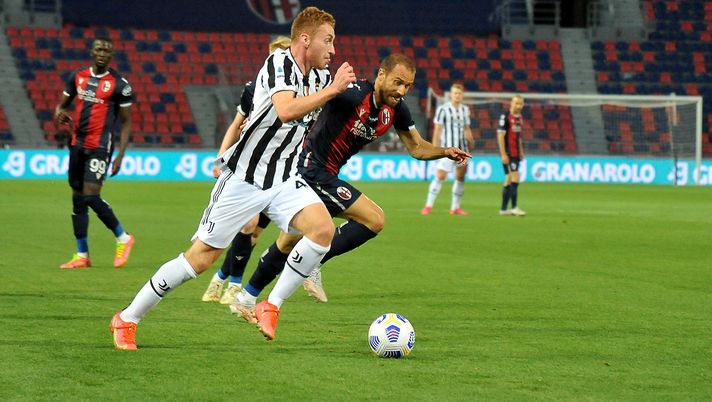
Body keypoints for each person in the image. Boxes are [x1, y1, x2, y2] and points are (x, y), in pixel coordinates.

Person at [109, 6, 357, 350]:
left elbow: (337, 101)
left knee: (322, 230)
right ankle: (128, 318)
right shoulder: (279, 63)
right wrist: (334, 90)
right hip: (244, 178)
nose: (332, 50)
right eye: (327, 41)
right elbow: (285, 110)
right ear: (304, 39)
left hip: (284, 179)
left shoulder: (318, 78)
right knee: (200, 258)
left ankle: (270, 305)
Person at [230, 54, 471, 338]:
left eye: (408, 85)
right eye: (397, 82)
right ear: (381, 75)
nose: (402, 91)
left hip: (325, 175)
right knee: (374, 219)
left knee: (289, 240)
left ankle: (246, 298)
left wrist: (445, 151)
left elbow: (417, 147)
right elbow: (303, 103)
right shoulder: (352, 94)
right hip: (309, 169)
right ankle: (309, 267)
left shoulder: (397, 110)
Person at [201, 36, 291, 305]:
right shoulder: (254, 89)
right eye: (274, 55)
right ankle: (234, 286)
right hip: (251, 167)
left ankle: (219, 279)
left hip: (280, 170)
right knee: (248, 225)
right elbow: (236, 124)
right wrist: (220, 159)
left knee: (253, 234)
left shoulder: (300, 91)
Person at [55, 37, 135, 269]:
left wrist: (120, 155)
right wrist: (59, 113)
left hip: (100, 146)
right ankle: (82, 255)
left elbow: (127, 122)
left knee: (90, 196)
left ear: (111, 56)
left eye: (107, 51)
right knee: (78, 198)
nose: (102, 53)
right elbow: (61, 105)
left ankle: (123, 237)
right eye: (99, 49)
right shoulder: (77, 77)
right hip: (76, 144)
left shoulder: (120, 84)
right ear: (92, 52)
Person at [421, 83, 473, 216]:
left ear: (462, 95)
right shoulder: (443, 110)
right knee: (440, 176)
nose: (457, 95)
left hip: (463, 149)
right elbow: (437, 129)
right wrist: (434, 148)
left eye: (459, 93)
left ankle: (455, 207)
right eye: (455, 93)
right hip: (448, 150)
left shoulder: (465, 110)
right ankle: (428, 205)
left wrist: (471, 140)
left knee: (460, 177)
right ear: (451, 95)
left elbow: (466, 128)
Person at [497, 94, 526, 216]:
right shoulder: (505, 117)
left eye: (520, 103)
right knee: (515, 178)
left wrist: (521, 150)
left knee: (508, 180)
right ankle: (514, 207)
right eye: (516, 103)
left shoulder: (520, 118)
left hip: (516, 153)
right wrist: (503, 154)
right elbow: (500, 136)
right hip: (509, 153)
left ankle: (503, 209)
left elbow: (518, 137)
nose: (518, 106)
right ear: (511, 103)